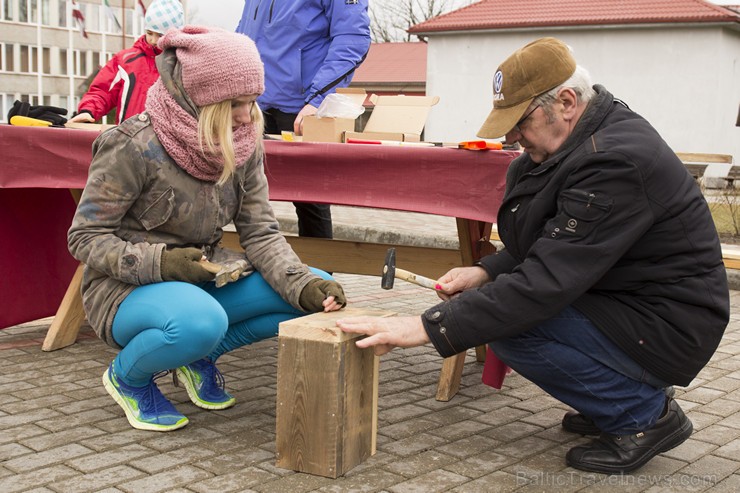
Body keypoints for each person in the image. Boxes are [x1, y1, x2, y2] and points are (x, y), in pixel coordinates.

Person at [337, 37, 730, 474]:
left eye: (520, 121)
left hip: (670, 322)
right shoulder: (573, 144)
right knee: (500, 310)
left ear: (565, 102)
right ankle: (617, 395)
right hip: (630, 299)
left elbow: (546, 282)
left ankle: (642, 415)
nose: (511, 137)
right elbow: (556, 245)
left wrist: (425, 326)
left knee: (513, 327)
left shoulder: (613, 161)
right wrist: (486, 271)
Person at [68, 25, 347, 432]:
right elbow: (85, 237)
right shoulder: (131, 144)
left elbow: (261, 232)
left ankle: (196, 356)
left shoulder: (245, 142)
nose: (247, 116)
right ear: (199, 95)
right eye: (235, 103)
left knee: (310, 294)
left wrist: (302, 282)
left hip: (202, 279)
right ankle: (129, 376)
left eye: (252, 101)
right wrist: (163, 263)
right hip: (124, 289)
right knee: (199, 322)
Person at [235, 0, 371, 240]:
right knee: (241, 195)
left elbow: (352, 39)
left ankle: (319, 275)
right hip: (254, 104)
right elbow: (245, 33)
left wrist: (317, 100)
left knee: (310, 202)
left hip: (302, 107)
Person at [68, 0, 184, 124]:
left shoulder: (184, 63)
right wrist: (88, 110)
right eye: (149, 33)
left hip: (169, 140)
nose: (153, 40)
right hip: (128, 138)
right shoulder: (125, 60)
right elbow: (102, 90)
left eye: (160, 35)